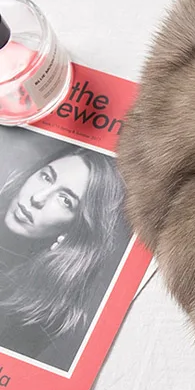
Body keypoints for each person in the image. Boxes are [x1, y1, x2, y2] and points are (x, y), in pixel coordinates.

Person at [0, 144, 128, 370]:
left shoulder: (40, 317)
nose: (38, 197)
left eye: (65, 200)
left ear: (74, 231)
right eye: (46, 177)